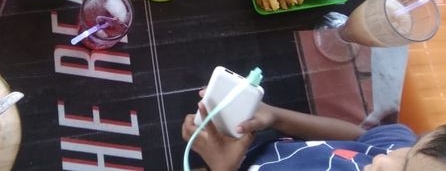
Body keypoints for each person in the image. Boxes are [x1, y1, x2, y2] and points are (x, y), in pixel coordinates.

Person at [182, 93, 446, 170]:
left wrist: (223, 167)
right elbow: (358, 137)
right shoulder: (396, 145)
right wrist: (275, 116)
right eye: (412, 149)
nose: (383, 159)